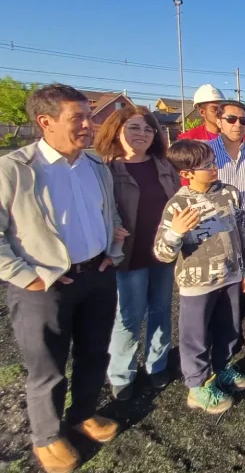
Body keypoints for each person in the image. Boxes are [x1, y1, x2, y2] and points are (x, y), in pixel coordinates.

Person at [0, 84, 125, 473]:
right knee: (47, 367)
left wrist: (112, 254)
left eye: (90, 115)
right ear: (45, 121)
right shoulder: (15, 169)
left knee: (94, 353)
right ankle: (47, 436)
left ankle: (83, 414)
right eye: (79, 118)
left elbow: (112, 216)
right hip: (43, 287)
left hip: (97, 276)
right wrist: (28, 277)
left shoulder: (95, 167)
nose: (90, 124)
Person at [154, 140, 245, 414]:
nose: (215, 168)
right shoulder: (177, 205)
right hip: (196, 285)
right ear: (186, 173)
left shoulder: (230, 194)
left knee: (229, 328)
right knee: (195, 336)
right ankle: (197, 386)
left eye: (214, 161)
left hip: (231, 277)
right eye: (207, 165)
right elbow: (163, 254)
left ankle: (223, 368)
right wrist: (175, 232)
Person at [94, 105, 180, 402]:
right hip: (128, 255)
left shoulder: (164, 166)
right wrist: (109, 229)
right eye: (134, 128)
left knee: (161, 309)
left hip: (163, 252)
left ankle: (157, 363)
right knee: (129, 316)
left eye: (147, 129)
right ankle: (121, 373)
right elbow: (96, 211)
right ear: (117, 131)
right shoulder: (105, 169)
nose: (142, 134)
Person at [208, 101, 245, 347]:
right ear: (219, 121)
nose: (238, 125)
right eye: (231, 119)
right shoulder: (205, 152)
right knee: (222, 288)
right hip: (216, 234)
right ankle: (222, 337)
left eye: (242, 121)